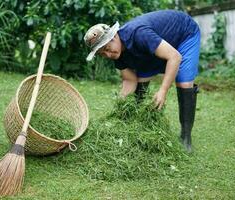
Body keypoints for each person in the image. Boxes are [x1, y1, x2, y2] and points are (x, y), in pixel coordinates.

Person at [83, 10, 200, 152]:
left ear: (114, 36)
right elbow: (129, 80)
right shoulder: (118, 54)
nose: (108, 54)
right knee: (140, 83)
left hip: (184, 33)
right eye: (102, 54)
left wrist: (163, 90)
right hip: (156, 46)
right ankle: (138, 127)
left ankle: (185, 138)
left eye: (107, 49)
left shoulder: (138, 34)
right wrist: (121, 104)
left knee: (183, 81)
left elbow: (174, 57)